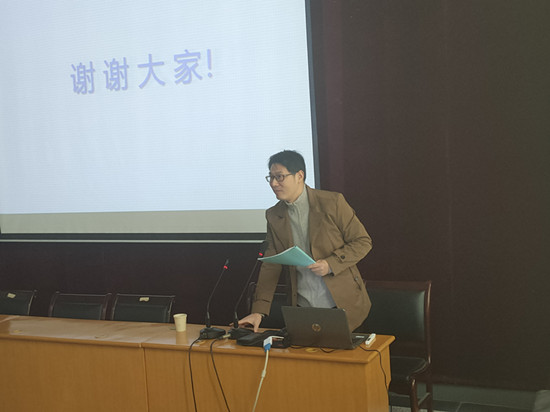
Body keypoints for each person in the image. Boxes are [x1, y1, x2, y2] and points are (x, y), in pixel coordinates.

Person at [238, 150, 372, 332]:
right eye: (271, 177)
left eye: (280, 177)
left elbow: (362, 241)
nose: (274, 183)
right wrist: (259, 311)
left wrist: (331, 264)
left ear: (299, 176)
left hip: (342, 302)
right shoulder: (274, 215)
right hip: (302, 305)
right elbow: (271, 265)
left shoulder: (332, 202)